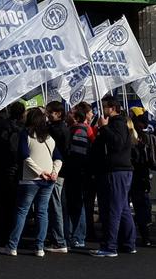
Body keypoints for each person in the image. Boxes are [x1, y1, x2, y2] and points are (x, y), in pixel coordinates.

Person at [0, 107, 62, 257]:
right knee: (42, 212)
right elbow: (59, 158)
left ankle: (12, 245)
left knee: (22, 211)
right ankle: (39, 247)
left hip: (30, 179)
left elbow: (24, 156)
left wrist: (40, 172)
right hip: (48, 180)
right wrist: (54, 172)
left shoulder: (25, 135)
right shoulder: (49, 137)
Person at [89, 99, 136, 258]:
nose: (102, 110)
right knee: (122, 209)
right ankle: (128, 243)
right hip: (117, 170)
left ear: (113, 108)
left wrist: (104, 127)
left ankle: (110, 246)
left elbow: (117, 143)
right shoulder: (116, 124)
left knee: (112, 209)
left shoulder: (117, 124)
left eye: (104, 107)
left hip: (116, 170)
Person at [0, 101, 25, 249]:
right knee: (14, 205)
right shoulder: (22, 130)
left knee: (0, 204)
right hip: (15, 171)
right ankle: (11, 234)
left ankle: (0, 233)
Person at [62, 102, 94, 250]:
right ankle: (74, 235)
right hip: (76, 172)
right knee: (73, 204)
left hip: (77, 173)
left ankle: (79, 236)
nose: (67, 114)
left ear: (75, 116)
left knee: (77, 204)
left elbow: (78, 155)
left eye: (70, 113)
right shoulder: (74, 129)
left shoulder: (79, 131)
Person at [43, 101, 70, 253]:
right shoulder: (60, 128)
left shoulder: (57, 130)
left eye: (50, 112)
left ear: (58, 113)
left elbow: (59, 151)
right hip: (58, 170)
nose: (47, 115)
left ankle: (59, 241)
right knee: (55, 205)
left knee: (55, 205)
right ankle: (58, 237)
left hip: (56, 171)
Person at [130, 114, 156, 247]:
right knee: (141, 207)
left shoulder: (140, 139)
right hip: (141, 177)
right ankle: (145, 236)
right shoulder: (143, 139)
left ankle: (140, 235)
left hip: (135, 176)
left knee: (136, 207)